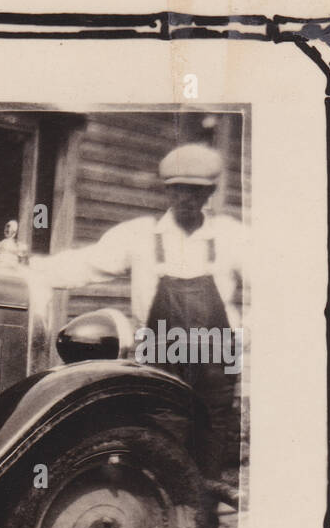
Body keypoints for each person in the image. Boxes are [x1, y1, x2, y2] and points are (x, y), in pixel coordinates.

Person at [31, 142, 246, 497]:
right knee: (158, 446)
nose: (186, 198)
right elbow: (86, 265)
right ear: (167, 190)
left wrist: (245, 333)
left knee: (209, 457)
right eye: (178, 188)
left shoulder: (230, 236)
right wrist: (32, 270)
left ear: (209, 192)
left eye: (195, 190)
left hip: (214, 359)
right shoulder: (141, 235)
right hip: (161, 354)